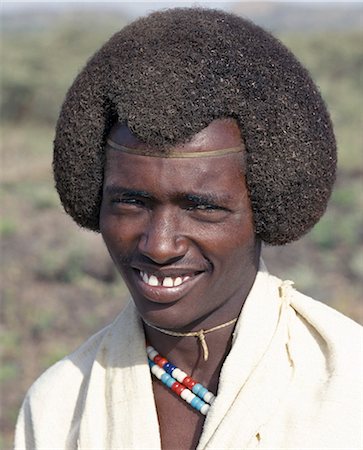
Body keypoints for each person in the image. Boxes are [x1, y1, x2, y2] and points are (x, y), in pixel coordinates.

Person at [15, 7, 362, 450]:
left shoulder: (349, 388)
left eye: (202, 208)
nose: (159, 245)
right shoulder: (59, 409)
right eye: (131, 202)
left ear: (269, 206)